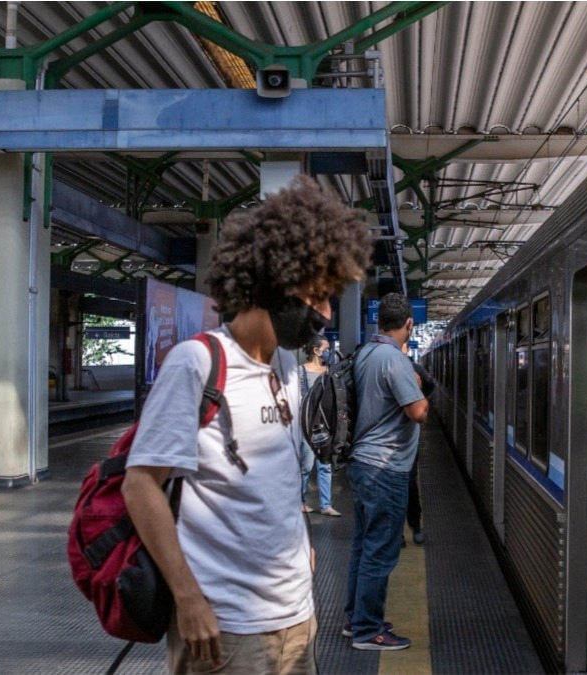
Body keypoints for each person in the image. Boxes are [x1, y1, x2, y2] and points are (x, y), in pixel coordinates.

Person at [122, 175, 372, 674]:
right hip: (227, 626)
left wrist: (301, 545)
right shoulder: (196, 363)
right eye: (317, 296)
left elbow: (274, 475)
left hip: (296, 615)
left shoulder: (283, 368)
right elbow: (140, 486)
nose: (324, 314)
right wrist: (187, 597)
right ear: (274, 281)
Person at [343, 293, 430, 650]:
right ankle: (367, 629)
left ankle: (355, 619)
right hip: (385, 468)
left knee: (363, 547)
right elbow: (418, 412)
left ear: (380, 323)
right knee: (380, 550)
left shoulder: (365, 353)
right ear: (409, 324)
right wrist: (420, 388)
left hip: (364, 464)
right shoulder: (394, 361)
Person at [299, 334, 339, 517]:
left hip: (324, 424)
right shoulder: (301, 372)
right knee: (306, 465)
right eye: (326, 349)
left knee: (325, 465)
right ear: (316, 351)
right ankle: (301, 502)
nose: (328, 353)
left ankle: (326, 505)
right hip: (307, 424)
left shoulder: (329, 371)